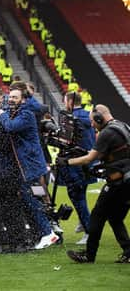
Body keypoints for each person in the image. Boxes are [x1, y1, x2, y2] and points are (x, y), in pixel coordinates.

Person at [0, 87, 58, 250]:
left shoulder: (26, 114)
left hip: (30, 165)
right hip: (26, 165)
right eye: (9, 96)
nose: (10, 99)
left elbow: (9, 127)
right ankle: (47, 231)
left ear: (23, 100)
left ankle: (48, 232)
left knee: (31, 197)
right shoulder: (18, 111)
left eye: (15, 97)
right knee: (33, 197)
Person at [62, 105, 130, 263]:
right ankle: (128, 251)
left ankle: (89, 255)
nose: (92, 124)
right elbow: (116, 155)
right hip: (126, 180)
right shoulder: (122, 125)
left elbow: (90, 158)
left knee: (97, 216)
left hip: (118, 182)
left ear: (100, 118)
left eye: (93, 121)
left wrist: (67, 162)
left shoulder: (107, 133)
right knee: (115, 217)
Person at [59, 91, 95, 245]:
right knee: (81, 196)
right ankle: (84, 222)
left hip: (76, 163)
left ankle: (89, 232)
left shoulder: (71, 119)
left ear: (69, 102)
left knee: (77, 197)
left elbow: (66, 141)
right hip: (88, 162)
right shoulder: (89, 116)